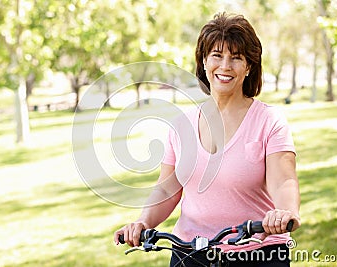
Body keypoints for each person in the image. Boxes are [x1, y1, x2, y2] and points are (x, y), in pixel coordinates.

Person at [114, 12, 300, 267]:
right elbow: (167, 188)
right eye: (217, 55)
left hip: (257, 253)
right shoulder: (182, 126)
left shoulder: (269, 121)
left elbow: (284, 180)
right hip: (190, 254)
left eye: (236, 58)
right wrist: (143, 222)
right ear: (203, 61)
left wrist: (285, 212)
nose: (225, 66)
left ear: (249, 67)